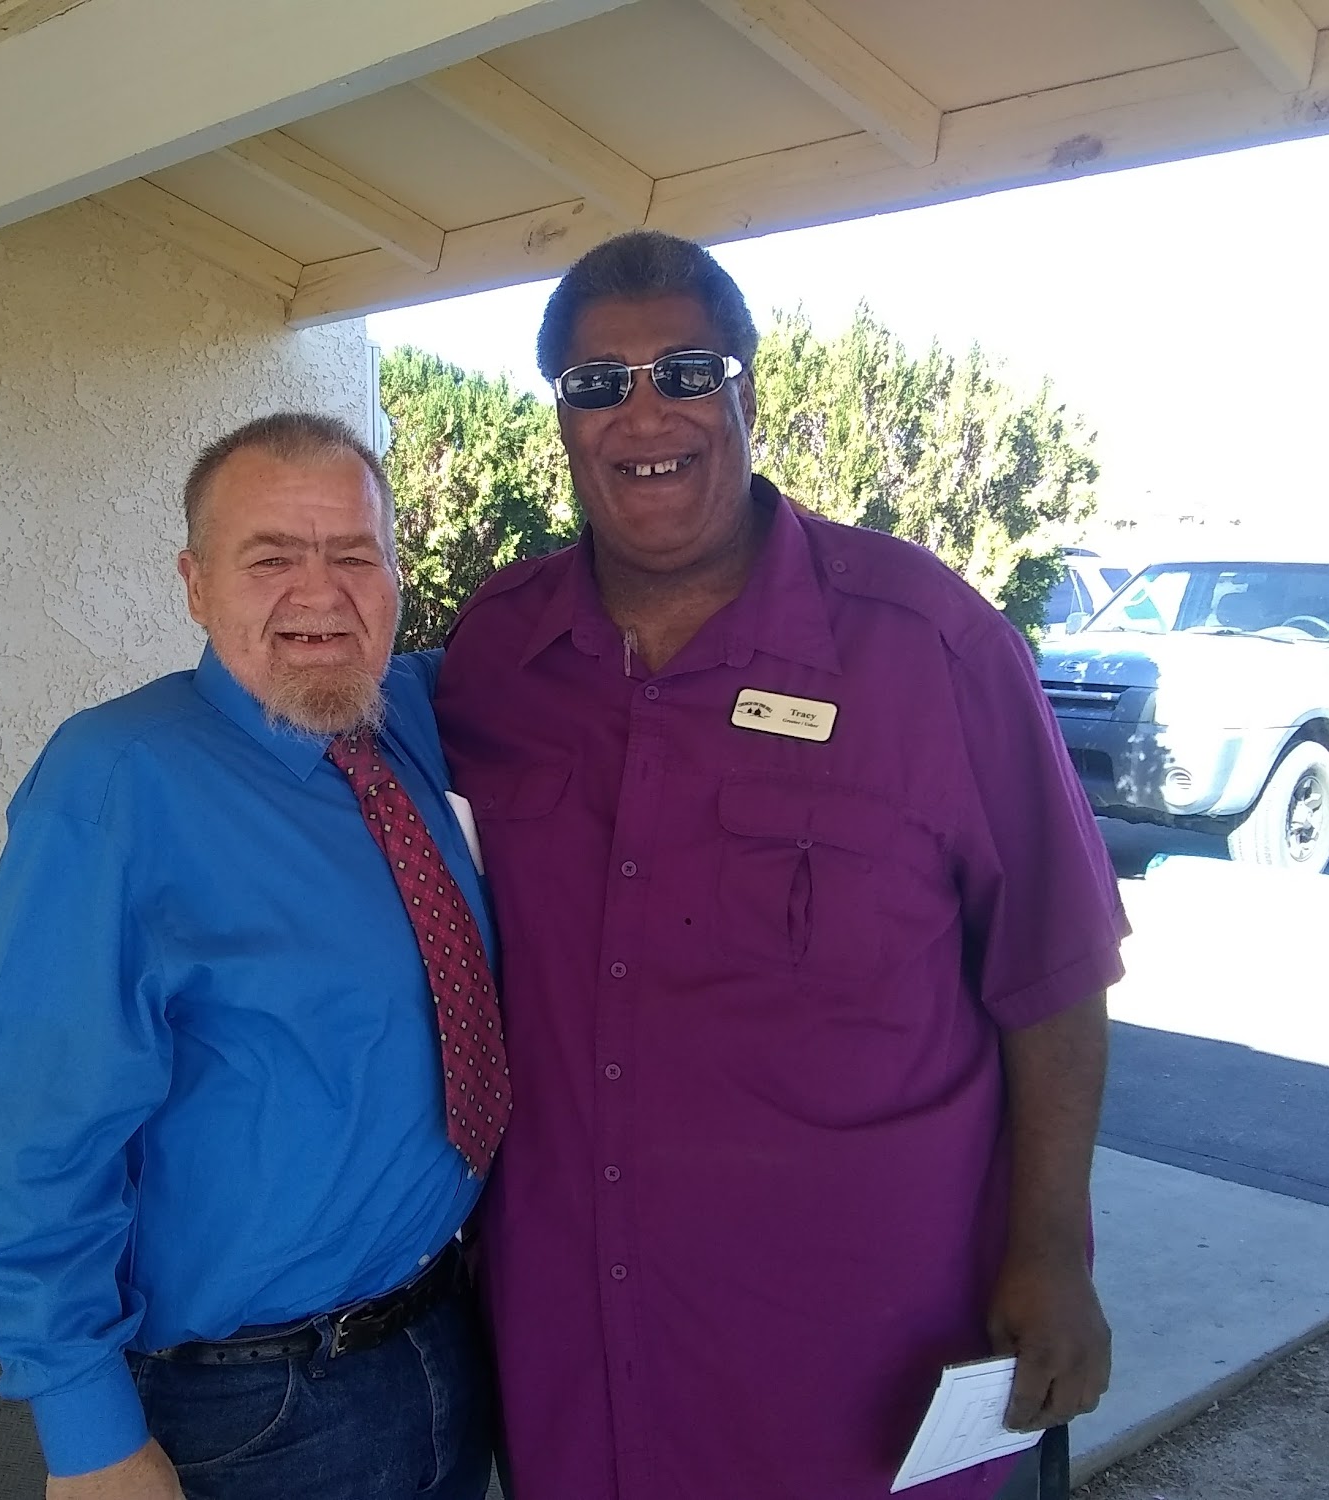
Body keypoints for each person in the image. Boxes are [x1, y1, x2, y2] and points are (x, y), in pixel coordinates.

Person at [432, 231, 1128, 1500]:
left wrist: (1048, 1252)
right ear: (562, 418)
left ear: (745, 390)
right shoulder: (497, 654)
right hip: (574, 1345)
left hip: (854, 1353)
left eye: (684, 371)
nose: (644, 412)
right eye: (597, 383)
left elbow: (1054, 970)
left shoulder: (929, 647)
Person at [0, 412, 502, 1500]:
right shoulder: (114, 785)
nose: (318, 593)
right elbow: (32, 1138)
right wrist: (88, 1435)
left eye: (354, 556)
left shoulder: (401, 723)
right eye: (270, 559)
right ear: (195, 586)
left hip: (443, 1335)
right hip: (253, 1404)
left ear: (396, 580)